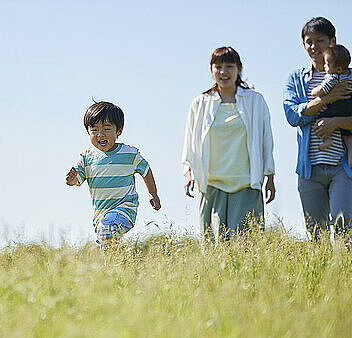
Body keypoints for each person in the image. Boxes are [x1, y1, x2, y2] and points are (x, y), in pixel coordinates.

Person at [182, 47, 276, 241]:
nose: (224, 72)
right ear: (211, 69)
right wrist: (189, 172)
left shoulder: (255, 101)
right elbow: (190, 140)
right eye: (219, 66)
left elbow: (266, 140)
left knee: (246, 245)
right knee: (213, 247)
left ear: (239, 69)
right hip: (210, 184)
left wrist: (270, 175)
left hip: (246, 183)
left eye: (229, 66)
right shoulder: (200, 103)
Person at [283, 17, 352, 239]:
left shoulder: (349, 76)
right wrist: (326, 99)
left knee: (345, 225)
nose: (314, 47)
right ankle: (322, 273)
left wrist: (336, 122)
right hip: (309, 167)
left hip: (343, 165)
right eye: (308, 42)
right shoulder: (296, 78)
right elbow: (293, 116)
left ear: (332, 41)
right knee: (316, 233)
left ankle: (344, 272)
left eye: (319, 41)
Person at [66, 101, 161, 246]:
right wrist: (71, 180)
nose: (100, 134)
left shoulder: (129, 154)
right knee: (107, 240)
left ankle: (118, 263)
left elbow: (146, 170)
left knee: (107, 229)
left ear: (119, 131)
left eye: (106, 128)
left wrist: (152, 193)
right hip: (101, 214)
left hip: (125, 208)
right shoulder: (86, 157)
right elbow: (77, 180)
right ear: (88, 132)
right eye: (94, 129)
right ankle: (117, 266)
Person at [309, 44, 352, 166]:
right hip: (349, 107)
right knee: (347, 135)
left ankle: (327, 140)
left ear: (338, 69)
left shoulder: (333, 77)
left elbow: (322, 90)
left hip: (338, 107)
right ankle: (350, 153)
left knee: (319, 120)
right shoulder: (349, 73)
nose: (324, 66)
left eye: (327, 64)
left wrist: (314, 92)